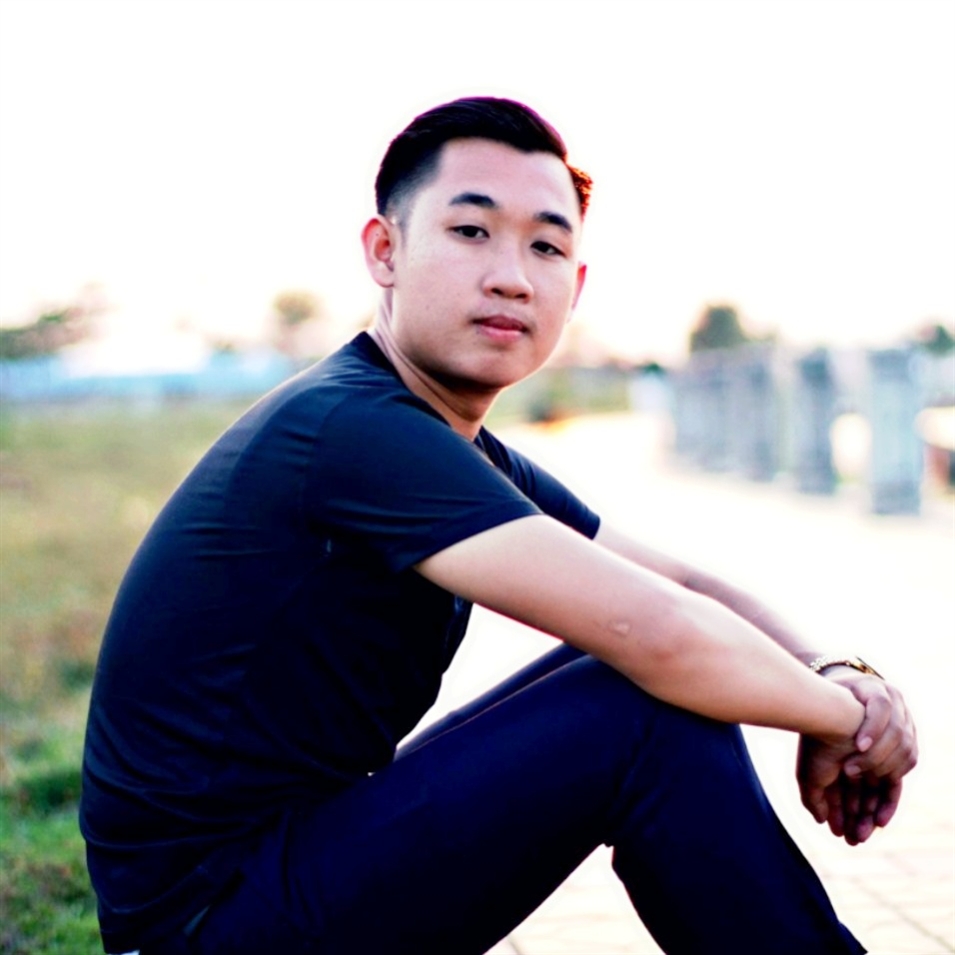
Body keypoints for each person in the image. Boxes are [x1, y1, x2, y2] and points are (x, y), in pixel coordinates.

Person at [80, 96, 917, 955]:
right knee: (643, 706)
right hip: (207, 919)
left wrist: (833, 673)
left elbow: (680, 588)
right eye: (471, 231)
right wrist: (846, 721)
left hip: (280, 873)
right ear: (385, 251)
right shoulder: (352, 429)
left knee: (646, 689)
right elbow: (658, 633)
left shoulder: (445, 440)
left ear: (575, 287)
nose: (512, 276)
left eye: (545, 246)